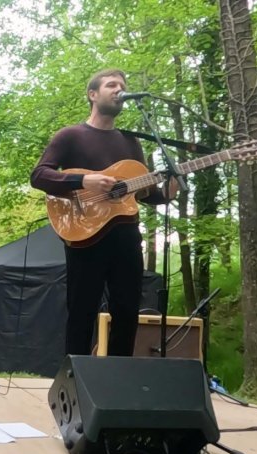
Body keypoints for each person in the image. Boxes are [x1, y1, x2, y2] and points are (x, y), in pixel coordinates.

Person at [30, 68, 177, 357]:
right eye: (112, 84)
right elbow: (39, 176)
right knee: (82, 310)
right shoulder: (70, 135)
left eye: (122, 85)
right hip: (85, 233)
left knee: (127, 310)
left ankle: (118, 381)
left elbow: (141, 193)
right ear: (93, 94)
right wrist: (84, 180)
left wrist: (167, 191)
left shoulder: (131, 141)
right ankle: (75, 379)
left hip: (126, 236)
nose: (119, 89)